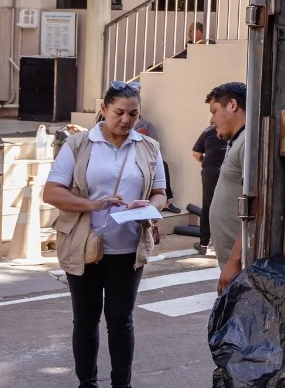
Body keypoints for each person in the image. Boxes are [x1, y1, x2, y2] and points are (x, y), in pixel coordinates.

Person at [42, 81, 168, 388]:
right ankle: (88, 383)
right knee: (85, 321)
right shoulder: (79, 144)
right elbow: (51, 192)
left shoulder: (148, 146)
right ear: (103, 109)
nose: (125, 120)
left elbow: (160, 193)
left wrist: (148, 207)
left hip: (127, 249)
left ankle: (121, 384)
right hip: (84, 246)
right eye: (119, 112)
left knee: (121, 322)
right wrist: (93, 204)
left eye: (133, 114)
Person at [206, 81, 247, 293]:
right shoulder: (237, 140)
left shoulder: (248, 143)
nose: (212, 120)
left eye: (214, 111)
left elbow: (254, 207)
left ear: (232, 105)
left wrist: (235, 261)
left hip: (242, 265)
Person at [192, 124, 227, 254]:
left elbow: (196, 153)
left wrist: (206, 160)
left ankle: (204, 244)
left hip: (211, 172)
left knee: (208, 206)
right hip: (231, 171)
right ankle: (227, 244)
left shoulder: (208, 130)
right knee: (230, 207)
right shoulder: (238, 128)